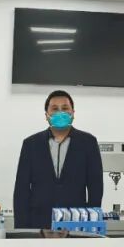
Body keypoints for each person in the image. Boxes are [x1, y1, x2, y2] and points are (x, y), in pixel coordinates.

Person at [13, 90, 103, 229]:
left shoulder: (88, 142)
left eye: (65, 108)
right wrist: (22, 228)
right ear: (47, 115)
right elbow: (21, 189)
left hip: (76, 223)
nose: (60, 112)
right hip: (38, 224)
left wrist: (91, 224)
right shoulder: (31, 144)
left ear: (73, 113)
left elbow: (95, 187)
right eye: (55, 109)